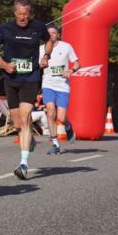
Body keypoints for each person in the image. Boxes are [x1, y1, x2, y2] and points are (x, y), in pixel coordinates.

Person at [0, 0, 53, 180]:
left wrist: (46, 56)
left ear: (30, 14)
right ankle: (30, 139)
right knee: (17, 123)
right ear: (14, 13)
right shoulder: (5, 29)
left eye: (26, 15)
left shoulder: (38, 27)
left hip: (30, 78)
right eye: (20, 15)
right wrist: (3, 64)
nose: (23, 18)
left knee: (25, 119)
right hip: (10, 78)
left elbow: (48, 41)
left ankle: (23, 164)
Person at [40, 25, 80, 154]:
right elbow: (37, 65)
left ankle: (68, 126)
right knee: (50, 113)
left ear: (58, 34)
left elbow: (77, 63)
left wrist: (71, 70)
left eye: (54, 33)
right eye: (49, 33)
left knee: (61, 117)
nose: (51, 35)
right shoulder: (41, 49)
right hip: (48, 84)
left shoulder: (66, 47)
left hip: (63, 86)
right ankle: (55, 144)